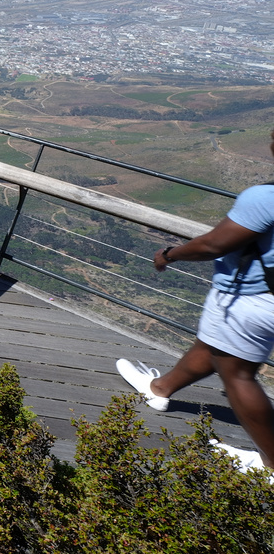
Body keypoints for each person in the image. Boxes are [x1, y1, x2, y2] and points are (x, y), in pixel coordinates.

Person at [117, 127, 274, 472]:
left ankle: (272, 466)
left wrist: (169, 254)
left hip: (250, 299)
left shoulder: (265, 199)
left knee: (238, 375)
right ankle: (160, 389)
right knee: (214, 347)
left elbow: (213, 244)